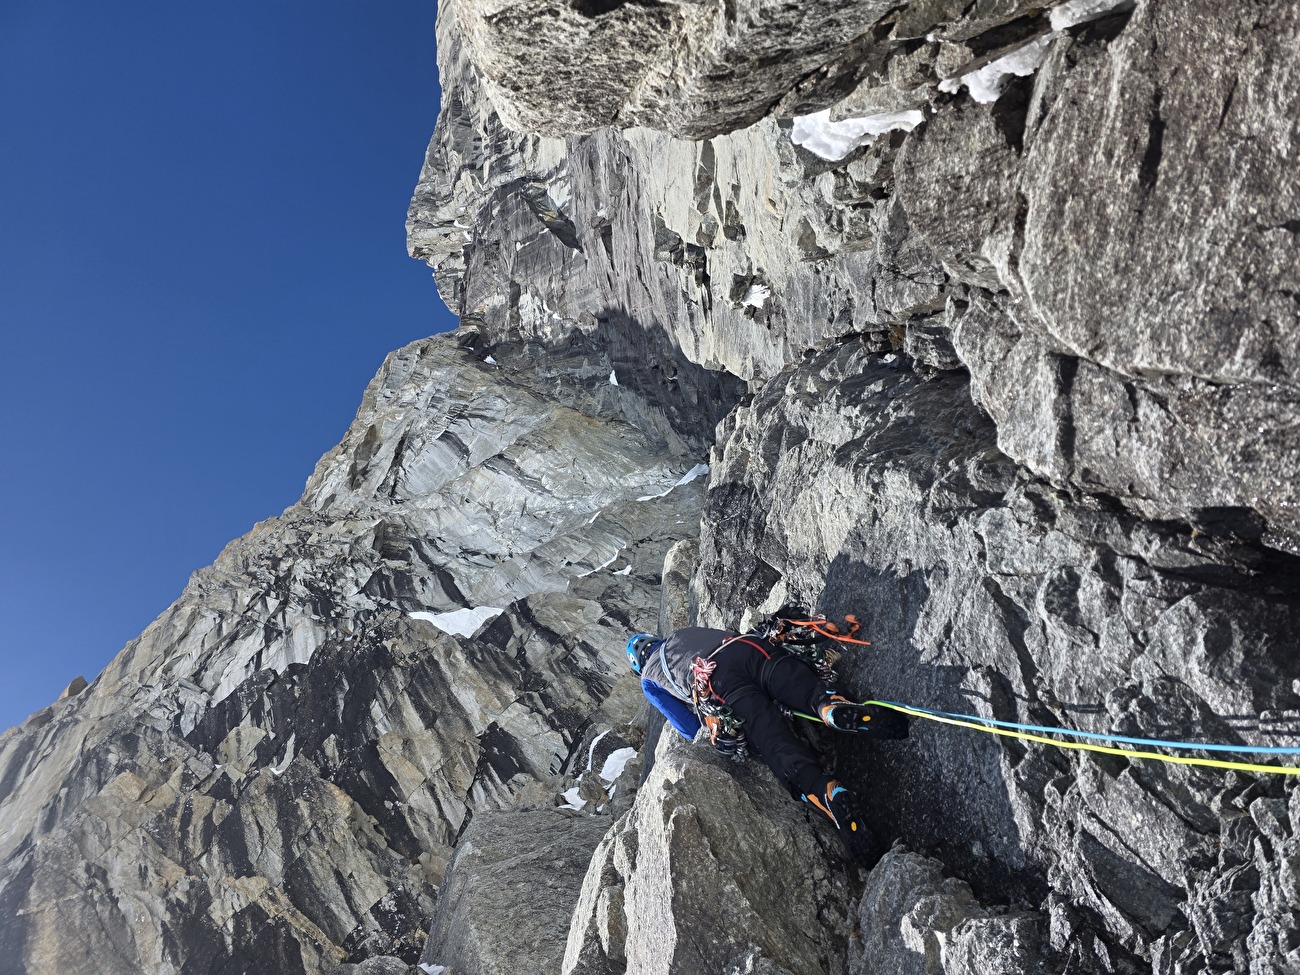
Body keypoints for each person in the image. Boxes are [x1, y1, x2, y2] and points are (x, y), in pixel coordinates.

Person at [626, 611, 908, 864]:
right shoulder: (682, 633)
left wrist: (714, 731)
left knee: (774, 744)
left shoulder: (649, 679)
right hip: (747, 647)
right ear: (655, 639)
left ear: (639, 665)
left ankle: (826, 791)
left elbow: (686, 725)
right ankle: (830, 707)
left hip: (718, 682)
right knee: (803, 687)